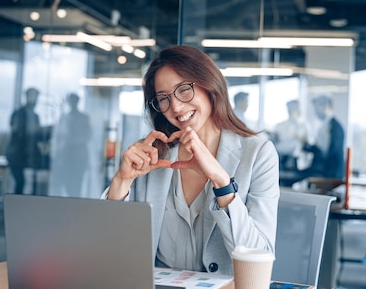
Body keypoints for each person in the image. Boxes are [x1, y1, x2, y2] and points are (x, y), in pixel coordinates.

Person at [102, 45, 279, 276]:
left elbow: (260, 257)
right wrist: (121, 182)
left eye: (184, 89)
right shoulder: (151, 155)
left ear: (210, 85)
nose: (175, 106)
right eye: (163, 98)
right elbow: (109, 249)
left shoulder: (258, 154)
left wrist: (221, 183)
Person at [51, 93, 92, 197]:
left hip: (78, 156)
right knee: (67, 183)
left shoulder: (84, 118)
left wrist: (73, 141)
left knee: (77, 184)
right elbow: (59, 138)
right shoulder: (64, 118)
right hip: (66, 156)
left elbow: (87, 136)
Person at [5, 87, 42, 194]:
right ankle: (16, 208)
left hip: (27, 156)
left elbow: (36, 136)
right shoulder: (19, 114)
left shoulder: (35, 116)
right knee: (20, 182)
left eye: (36, 98)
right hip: (16, 155)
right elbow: (18, 131)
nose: (35, 100)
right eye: (33, 97)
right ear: (27, 97)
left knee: (29, 182)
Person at [303, 94, 345, 179]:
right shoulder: (324, 126)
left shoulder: (335, 127)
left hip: (331, 174)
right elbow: (321, 150)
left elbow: (328, 153)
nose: (315, 112)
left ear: (325, 107)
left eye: (317, 108)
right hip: (325, 173)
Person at [271, 100, 310, 173]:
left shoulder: (303, 126)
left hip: (296, 160)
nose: (291, 111)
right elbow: (274, 141)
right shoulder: (280, 126)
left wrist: (300, 138)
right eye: (290, 108)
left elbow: (307, 143)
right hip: (281, 158)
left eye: (294, 108)